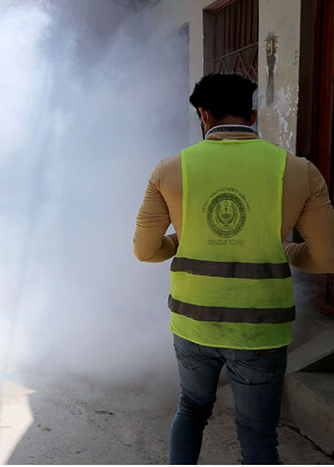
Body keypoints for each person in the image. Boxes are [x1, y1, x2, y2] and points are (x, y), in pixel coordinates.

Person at [133, 73, 334, 464]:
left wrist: (180, 239)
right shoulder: (298, 170)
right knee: (259, 436)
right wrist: (287, 249)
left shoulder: (169, 170)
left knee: (191, 410)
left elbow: (146, 250)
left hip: (193, 323)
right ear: (253, 114)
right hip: (261, 328)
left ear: (203, 115)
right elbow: (326, 258)